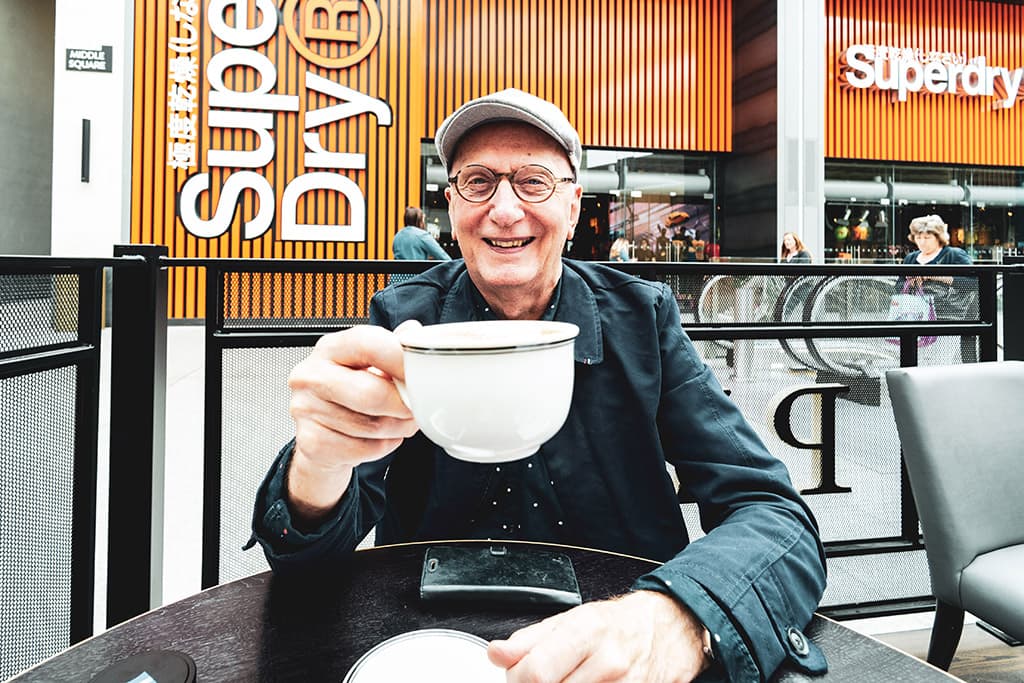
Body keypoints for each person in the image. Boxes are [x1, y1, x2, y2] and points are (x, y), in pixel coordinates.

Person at [248, 88, 827, 682]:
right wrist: (317, 466)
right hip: (426, 650)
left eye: (533, 182)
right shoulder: (403, 322)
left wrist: (674, 616)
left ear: (574, 207)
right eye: (478, 182)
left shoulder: (641, 319)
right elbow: (308, 560)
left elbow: (771, 511)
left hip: (620, 649)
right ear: (452, 205)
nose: (503, 209)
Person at [900, 215, 977, 362]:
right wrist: (910, 281)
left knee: (941, 362)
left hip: (947, 319)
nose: (922, 242)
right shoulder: (911, 258)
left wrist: (936, 276)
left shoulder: (954, 255)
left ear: (938, 237)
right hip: (916, 318)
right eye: (918, 237)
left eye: (927, 237)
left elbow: (973, 282)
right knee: (918, 361)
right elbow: (899, 286)